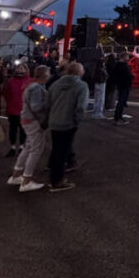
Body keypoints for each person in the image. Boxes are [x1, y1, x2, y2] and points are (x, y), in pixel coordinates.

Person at [45, 61, 88, 192]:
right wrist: (78, 121)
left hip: (54, 120)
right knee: (63, 152)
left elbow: (48, 102)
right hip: (69, 122)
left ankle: (52, 170)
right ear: (80, 72)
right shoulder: (81, 86)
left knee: (57, 148)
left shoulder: (55, 84)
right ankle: (56, 181)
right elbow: (80, 107)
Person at [7, 65, 50, 192]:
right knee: (36, 149)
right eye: (48, 73)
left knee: (28, 147)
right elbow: (36, 107)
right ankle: (26, 180)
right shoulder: (37, 88)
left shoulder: (31, 86)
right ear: (44, 75)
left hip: (26, 119)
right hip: (33, 121)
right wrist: (48, 106)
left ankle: (17, 174)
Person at [2, 63, 32, 158]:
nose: (20, 70)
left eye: (22, 68)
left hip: (25, 110)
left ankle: (22, 147)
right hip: (13, 109)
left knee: (23, 130)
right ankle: (13, 147)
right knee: (13, 129)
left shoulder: (30, 81)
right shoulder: (11, 81)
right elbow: (6, 94)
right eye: (18, 68)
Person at [113, 52, 133, 124]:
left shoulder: (118, 65)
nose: (128, 58)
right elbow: (127, 75)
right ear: (124, 57)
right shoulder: (123, 65)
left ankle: (118, 116)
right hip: (124, 85)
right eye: (127, 57)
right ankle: (118, 117)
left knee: (121, 101)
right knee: (121, 102)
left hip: (121, 85)